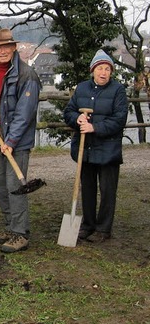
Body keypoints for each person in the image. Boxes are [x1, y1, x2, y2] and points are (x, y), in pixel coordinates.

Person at [0, 28, 41, 253]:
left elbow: (24, 114)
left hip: (15, 143)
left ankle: (20, 234)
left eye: (6, 47)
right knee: (1, 185)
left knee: (15, 186)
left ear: (14, 47)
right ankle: (10, 226)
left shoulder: (27, 75)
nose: (2, 51)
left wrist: (11, 141)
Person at [63, 49, 127, 243]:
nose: (103, 72)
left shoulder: (118, 90)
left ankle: (103, 228)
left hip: (108, 149)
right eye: (100, 68)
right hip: (86, 149)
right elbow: (69, 112)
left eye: (107, 69)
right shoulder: (81, 89)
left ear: (111, 72)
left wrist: (95, 127)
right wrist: (78, 118)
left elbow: (119, 119)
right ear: (93, 70)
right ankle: (88, 225)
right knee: (88, 189)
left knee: (107, 191)